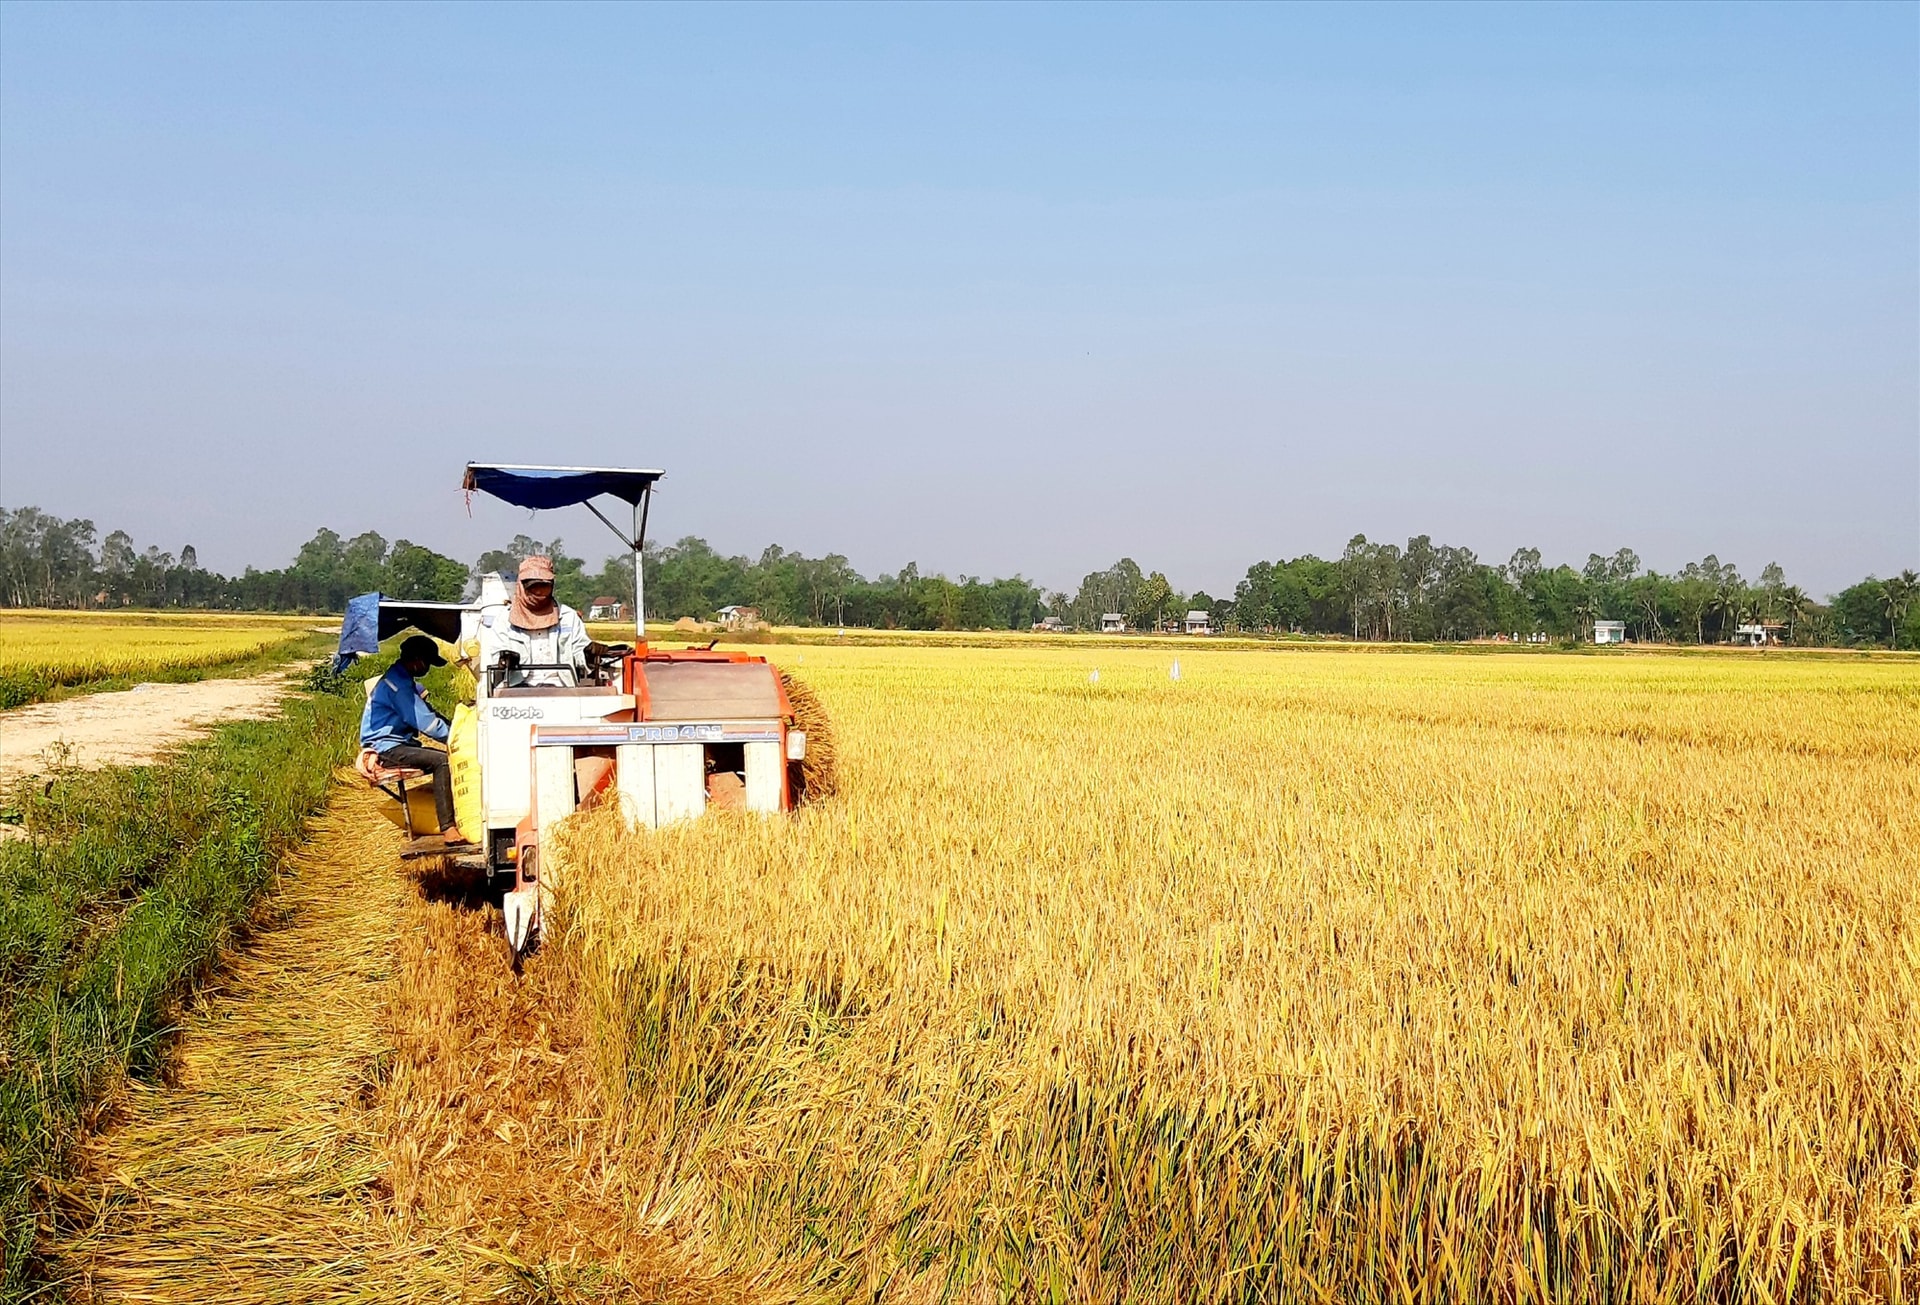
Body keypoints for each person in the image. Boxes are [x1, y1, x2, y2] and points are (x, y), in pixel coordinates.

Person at [360, 634, 471, 848]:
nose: (427, 668)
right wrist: (458, 737)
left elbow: (429, 713)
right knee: (443, 762)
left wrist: (457, 727)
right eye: (427, 663)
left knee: (443, 758)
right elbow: (428, 724)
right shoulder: (398, 687)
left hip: (396, 743)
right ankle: (448, 827)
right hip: (387, 747)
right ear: (417, 660)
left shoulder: (400, 679)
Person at [479, 554, 591, 688]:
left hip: (562, 688)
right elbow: (497, 653)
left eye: (544, 586)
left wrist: (589, 653)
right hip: (518, 688)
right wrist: (505, 659)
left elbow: (579, 651)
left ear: (552, 586)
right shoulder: (505, 619)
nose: (538, 591)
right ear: (521, 586)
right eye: (533, 586)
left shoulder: (568, 617)